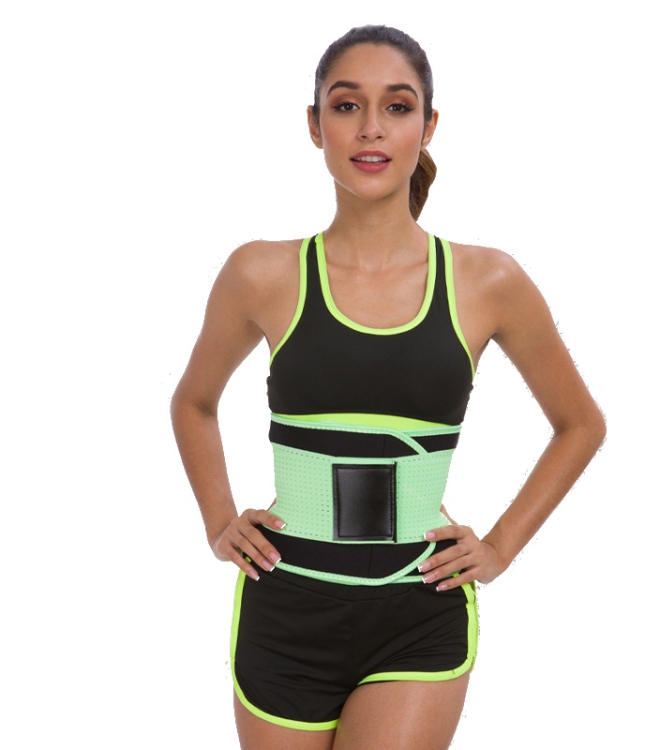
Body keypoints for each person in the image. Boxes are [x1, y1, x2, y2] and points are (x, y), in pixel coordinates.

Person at [171, 24, 606, 750]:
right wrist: (219, 521)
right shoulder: (261, 273)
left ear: (428, 126)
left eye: (398, 107)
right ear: (314, 125)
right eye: (346, 106)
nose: (371, 128)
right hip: (287, 607)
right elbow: (193, 402)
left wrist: (499, 547)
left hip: (418, 609)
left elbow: (581, 424)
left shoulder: (487, 281)